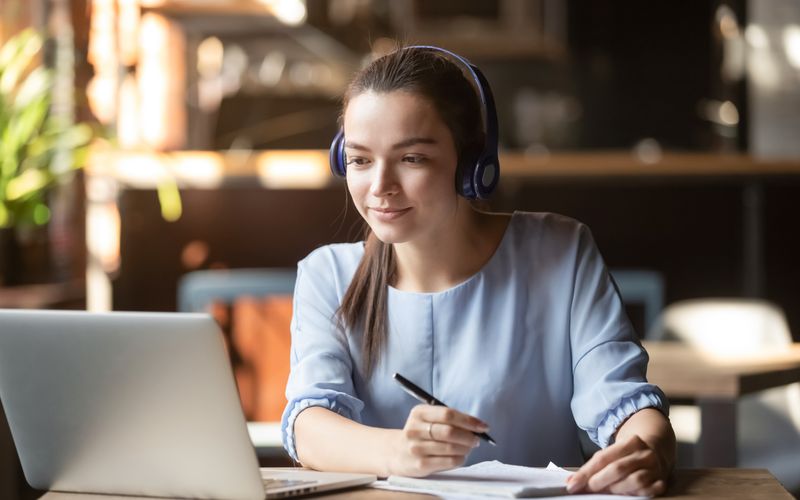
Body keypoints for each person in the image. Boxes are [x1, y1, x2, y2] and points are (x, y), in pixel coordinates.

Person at [281, 46, 676, 496]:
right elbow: (309, 426)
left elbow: (624, 401)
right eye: (360, 160)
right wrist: (399, 452)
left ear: (472, 164)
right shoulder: (327, 274)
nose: (380, 186)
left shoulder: (560, 251)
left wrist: (650, 449)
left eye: (412, 158)